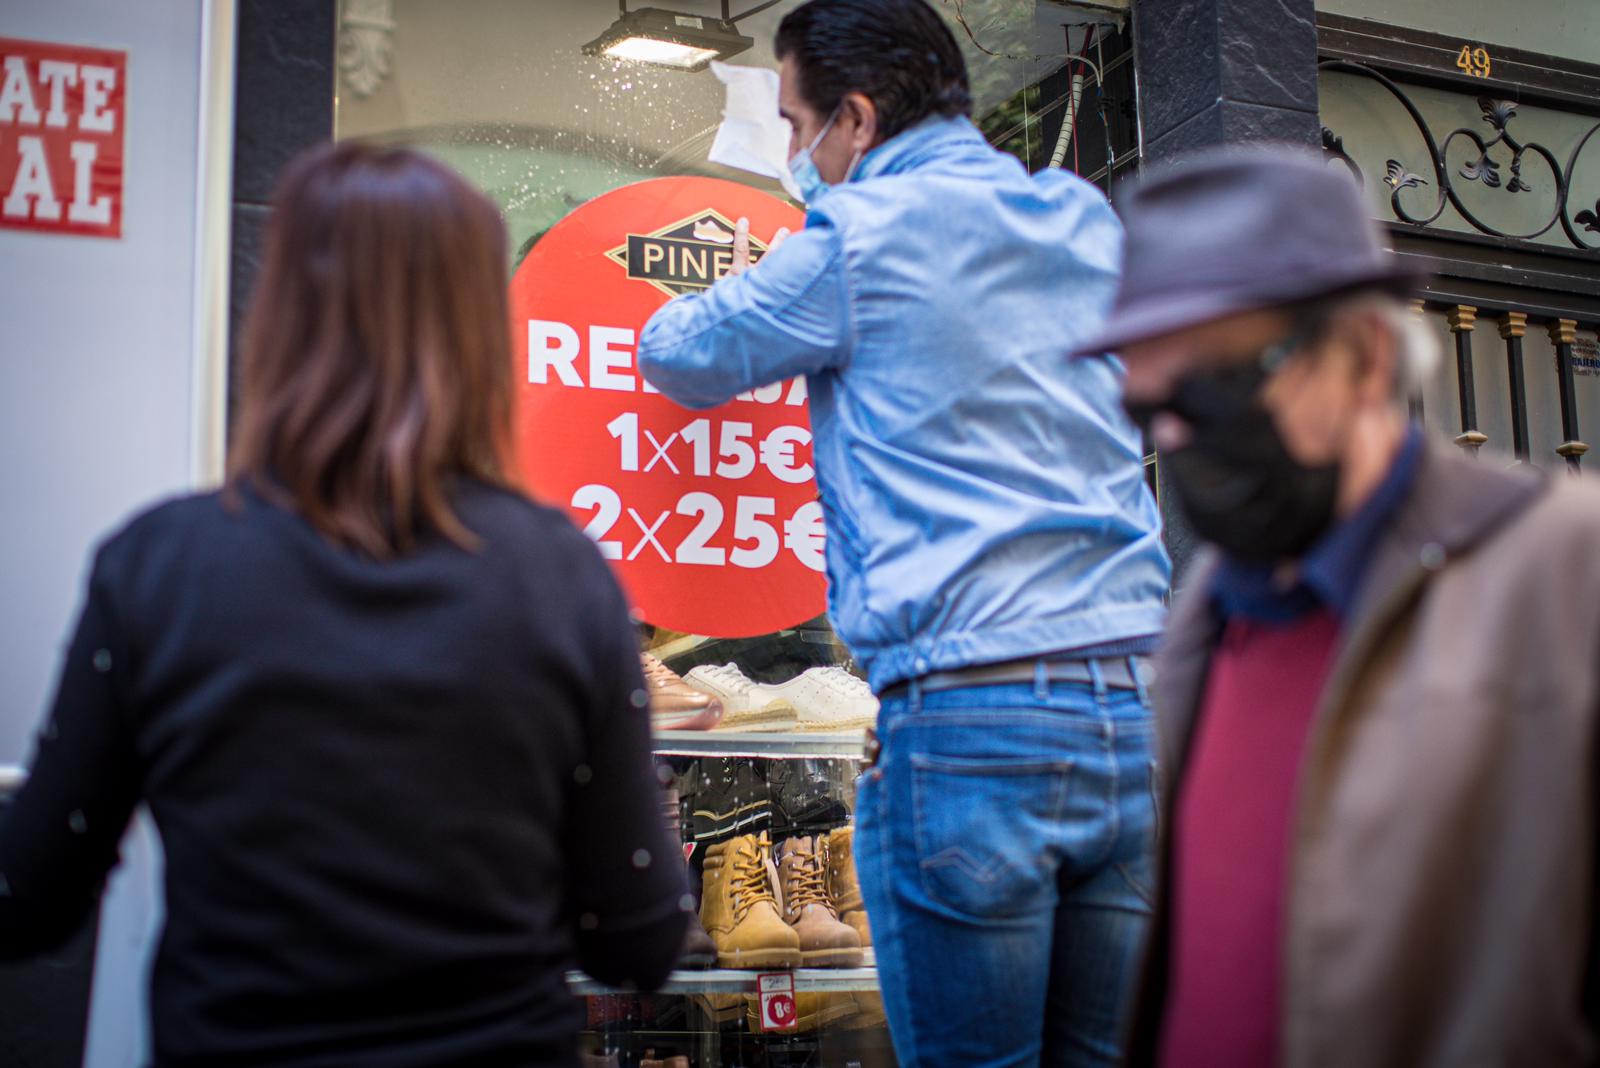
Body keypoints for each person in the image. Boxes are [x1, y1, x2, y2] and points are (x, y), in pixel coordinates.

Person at [0, 142, 687, 1066]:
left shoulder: (159, 564)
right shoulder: (560, 575)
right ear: (481, 332)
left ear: (279, 318)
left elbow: (30, 894)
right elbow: (638, 942)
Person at [637, 1, 1170, 1063]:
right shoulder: (1078, 219)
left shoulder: (860, 237)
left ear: (859, 120)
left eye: (794, 124)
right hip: (1138, 721)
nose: (792, 152)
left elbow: (678, 353)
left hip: (974, 726)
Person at [1082, 146, 1600, 1066]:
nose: (1172, 437)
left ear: (1361, 356)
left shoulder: (1565, 573)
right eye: (1146, 405)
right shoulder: (1211, 608)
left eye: (1209, 389)